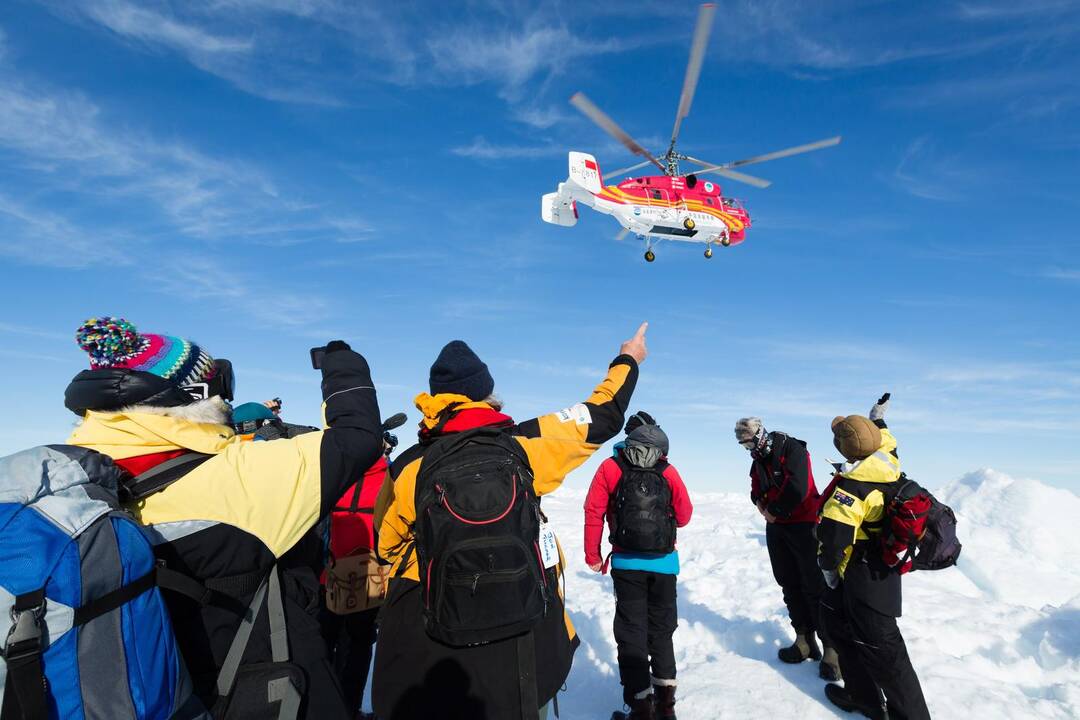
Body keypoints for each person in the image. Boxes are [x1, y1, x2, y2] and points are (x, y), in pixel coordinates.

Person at [63, 317, 382, 719]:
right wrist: (342, 363)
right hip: (253, 692)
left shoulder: (65, 478)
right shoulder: (244, 474)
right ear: (197, 394)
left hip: (122, 697)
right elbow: (357, 436)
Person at [373, 323, 648, 720]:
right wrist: (628, 358)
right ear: (488, 395)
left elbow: (386, 544)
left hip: (432, 642)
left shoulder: (410, 466)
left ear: (436, 400)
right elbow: (602, 415)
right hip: (523, 640)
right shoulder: (526, 446)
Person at [818, 394, 930, 720]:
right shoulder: (886, 460)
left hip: (864, 577)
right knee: (839, 626)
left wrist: (828, 572)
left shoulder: (850, 490)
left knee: (886, 652)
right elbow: (887, 441)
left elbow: (832, 543)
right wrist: (877, 419)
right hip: (880, 568)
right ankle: (862, 697)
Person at [584, 412, 693, 720]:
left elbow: (593, 511)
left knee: (631, 632)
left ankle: (641, 708)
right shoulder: (667, 469)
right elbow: (684, 516)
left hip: (626, 564)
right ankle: (666, 707)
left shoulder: (610, 467)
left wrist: (592, 554)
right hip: (664, 565)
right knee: (661, 632)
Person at [733, 417, 840, 681]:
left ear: (759, 435)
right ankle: (804, 640)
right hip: (778, 527)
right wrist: (761, 505)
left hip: (804, 526)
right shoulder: (758, 458)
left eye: (748, 443)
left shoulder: (793, 450)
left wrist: (774, 511)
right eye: (743, 445)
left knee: (814, 585)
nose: (747, 449)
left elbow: (799, 488)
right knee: (788, 583)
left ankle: (831, 649)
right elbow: (755, 488)